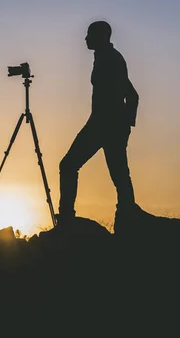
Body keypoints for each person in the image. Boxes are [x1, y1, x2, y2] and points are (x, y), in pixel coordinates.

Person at [58, 20, 139, 224]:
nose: (85, 38)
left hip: (106, 126)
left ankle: (68, 218)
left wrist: (125, 126)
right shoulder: (105, 57)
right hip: (101, 124)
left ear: (100, 37)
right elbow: (132, 94)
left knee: (71, 166)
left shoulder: (112, 59)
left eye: (89, 34)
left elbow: (132, 95)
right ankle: (126, 216)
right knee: (119, 174)